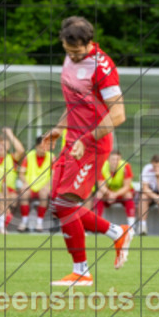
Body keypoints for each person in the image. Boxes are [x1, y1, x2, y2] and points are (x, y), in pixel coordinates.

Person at [44, 16, 133, 286]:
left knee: (65, 204)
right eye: (67, 50)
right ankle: (117, 232)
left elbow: (118, 114)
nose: (72, 55)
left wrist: (87, 136)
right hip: (72, 141)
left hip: (92, 144)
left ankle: (82, 271)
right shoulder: (70, 59)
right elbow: (76, 103)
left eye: (77, 51)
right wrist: (59, 128)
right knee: (58, 205)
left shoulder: (102, 67)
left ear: (90, 42)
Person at [18, 135, 56, 232]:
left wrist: (47, 186)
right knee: (23, 193)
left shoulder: (52, 157)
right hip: (30, 186)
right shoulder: (29, 156)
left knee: (44, 194)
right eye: (41, 147)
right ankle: (24, 221)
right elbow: (21, 173)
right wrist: (25, 183)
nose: (43, 150)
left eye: (45, 147)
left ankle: (39, 223)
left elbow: (54, 174)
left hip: (44, 187)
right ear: (36, 146)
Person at [94, 150, 136, 229]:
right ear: (108, 160)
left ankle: (131, 226)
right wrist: (109, 193)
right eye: (113, 159)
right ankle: (96, 224)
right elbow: (101, 185)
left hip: (121, 194)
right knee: (98, 194)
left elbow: (127, 186)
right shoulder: (102, 166)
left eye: (118, 159)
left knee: (128, 195)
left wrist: (115, 194)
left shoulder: (126, 166)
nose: (115, 162)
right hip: (108, 194)